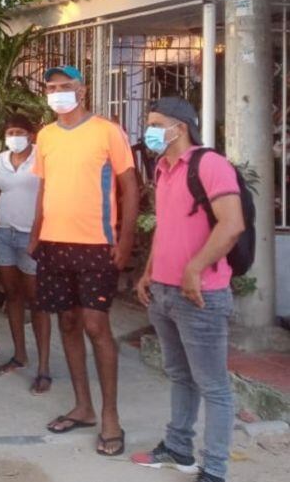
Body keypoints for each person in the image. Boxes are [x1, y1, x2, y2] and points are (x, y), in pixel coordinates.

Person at [28, 65, 139, 457]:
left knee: (96, 325)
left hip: (96, 244)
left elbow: (129, 184)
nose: (58, 93)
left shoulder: (107, 130)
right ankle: (83, 406)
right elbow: (45, 187)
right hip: (54, 243)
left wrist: (125, 241)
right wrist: (35, 233)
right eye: (51, 88)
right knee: (69, 322)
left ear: (82, 89)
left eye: (65, 87)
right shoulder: (45, 136)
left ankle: (111, 416)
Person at [132, 97, 244, 482]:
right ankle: (179, 446)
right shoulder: (163, 168)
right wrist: (148, 272)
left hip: (201, 294)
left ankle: (214, 469)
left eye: (156, 123)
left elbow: (231, 225)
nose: (149, 131)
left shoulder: (210, 165)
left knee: (213, 385)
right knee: (179, 375)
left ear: (180, 127)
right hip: (163, 292)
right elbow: (165, 227)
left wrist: (195, 268)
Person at [0, 114, 52, 394]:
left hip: (32, 236)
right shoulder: (0, 160)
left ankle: (44, 367)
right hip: (3, 233)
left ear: (31, 134)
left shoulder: (43, 157)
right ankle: (19, 355)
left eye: (20, 132)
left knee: (38, 301)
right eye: (10, 132)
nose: (15, 137)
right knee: (12, 296)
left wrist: (40, 234)